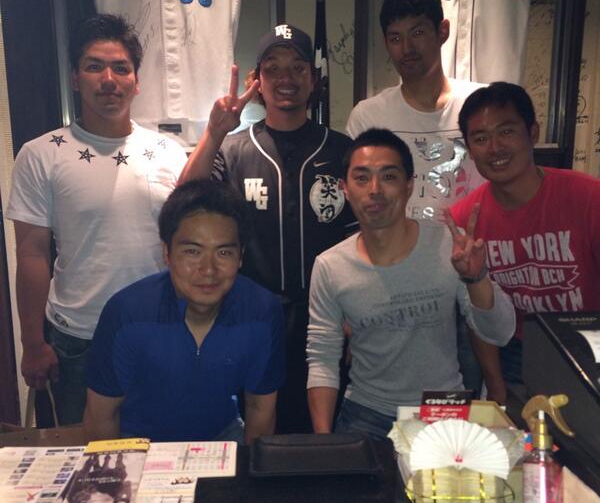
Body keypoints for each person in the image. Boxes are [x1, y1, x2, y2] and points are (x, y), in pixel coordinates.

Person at [6, 14, 188, 424]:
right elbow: (32, 254)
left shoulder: (168, 152)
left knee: (162, 444)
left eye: (121, 68)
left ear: (136, 81)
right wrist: (32, 343)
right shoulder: (42, 154)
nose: (108, 79)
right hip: (78, 339)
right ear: (75, 78)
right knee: (86, 455)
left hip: (161, 331)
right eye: (94, 66)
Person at [181, 24, 356, 432]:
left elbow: (357, 235)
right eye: (272, 68)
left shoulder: (341, 150)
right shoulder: (233, 149)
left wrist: (355, 310)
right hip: (252, 314)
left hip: (327, 316)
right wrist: (214, 132)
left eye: (297, 67)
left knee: (322, 428)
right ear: (256, 82)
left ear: (313, 79)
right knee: (259, 427)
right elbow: (185, 202)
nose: (285, 78)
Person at [307, 129, 515, 439]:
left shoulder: (447, 245)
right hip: (366, 413)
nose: (375, 190)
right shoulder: (330, 266)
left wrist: (476, 277)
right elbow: (322, 357)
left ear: (409, 185)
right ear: (345, 189)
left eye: (388, 177)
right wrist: (324, 441)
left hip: (441, 409)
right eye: (362, 178)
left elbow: (499, 332)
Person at [346, 0, 490, 396]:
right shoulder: (369, 115)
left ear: (442, 31)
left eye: (418, 32)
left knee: (465, 401)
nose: (407, 48)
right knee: (392, 397)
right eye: (395, 37)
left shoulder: (478, 104)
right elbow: (358, 204)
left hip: (469, 274)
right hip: (397, 279)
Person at [83, 180, 284, 444]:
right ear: (166, 253)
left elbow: (260, 408)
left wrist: (251, 468)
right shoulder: (126, 313)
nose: (208, 269)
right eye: (192, 251)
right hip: (139, 443)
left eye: (224, 252)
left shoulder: (262, 312)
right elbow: (101, 416)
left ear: (241, 256)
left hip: (221, 437)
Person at [450, 82, 600, 386]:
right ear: (469, 150)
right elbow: (477, 316)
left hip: (590, 339)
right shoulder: (464, 220)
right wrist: (495, 384)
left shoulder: (588, 197)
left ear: (533, 133)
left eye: (506, 132)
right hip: (516, 348)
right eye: (481, 138)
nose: (495, 148)